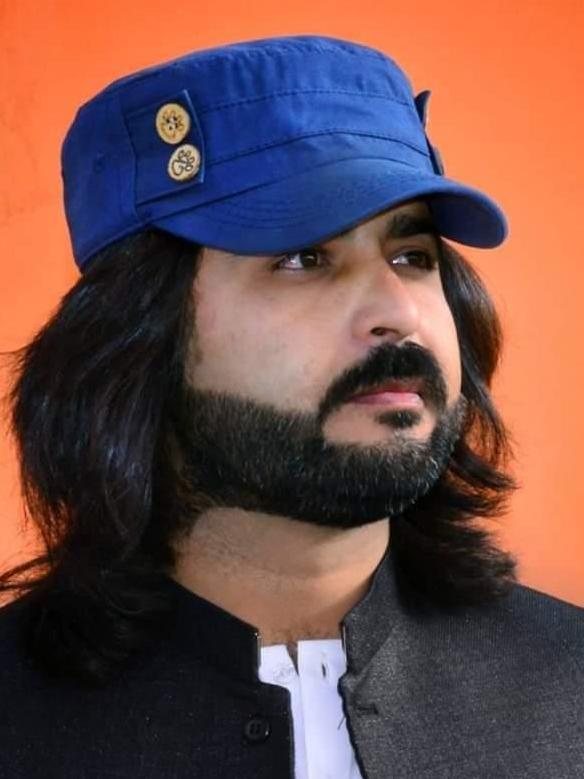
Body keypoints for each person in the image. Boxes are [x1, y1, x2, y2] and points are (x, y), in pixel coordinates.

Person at [0, 35, 582, 779]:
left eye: (412, 257)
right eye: (304, 258)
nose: (398, 313)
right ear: (138, 334)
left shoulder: (569, 693)